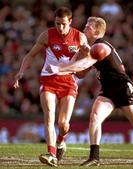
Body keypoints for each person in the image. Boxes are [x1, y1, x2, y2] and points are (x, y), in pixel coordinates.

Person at [49, 16, 133, 167]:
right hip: (107, 90)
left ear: (97, 32)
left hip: (122, 88)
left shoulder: (101, 46)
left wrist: (61, 69)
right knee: (95, 116)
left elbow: (83, 65)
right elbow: (81, 73)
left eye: (89, 27)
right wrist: (80, 54)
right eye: (86, 25)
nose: (85, 28)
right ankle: (94, 157)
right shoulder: (91, 48)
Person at [13, 6, 87, 167]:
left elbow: (85, 65)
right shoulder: (46, 35)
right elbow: (30, 55)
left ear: (71, 22)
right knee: (49, 116)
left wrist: (85, 59)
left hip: (69, 82)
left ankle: (61, 142)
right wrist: (21, 72)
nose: (60, 27)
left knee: (63, 124)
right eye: (57, 23)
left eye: (63, 24)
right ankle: (51, 153)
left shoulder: (80, 38)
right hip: (48, 80)